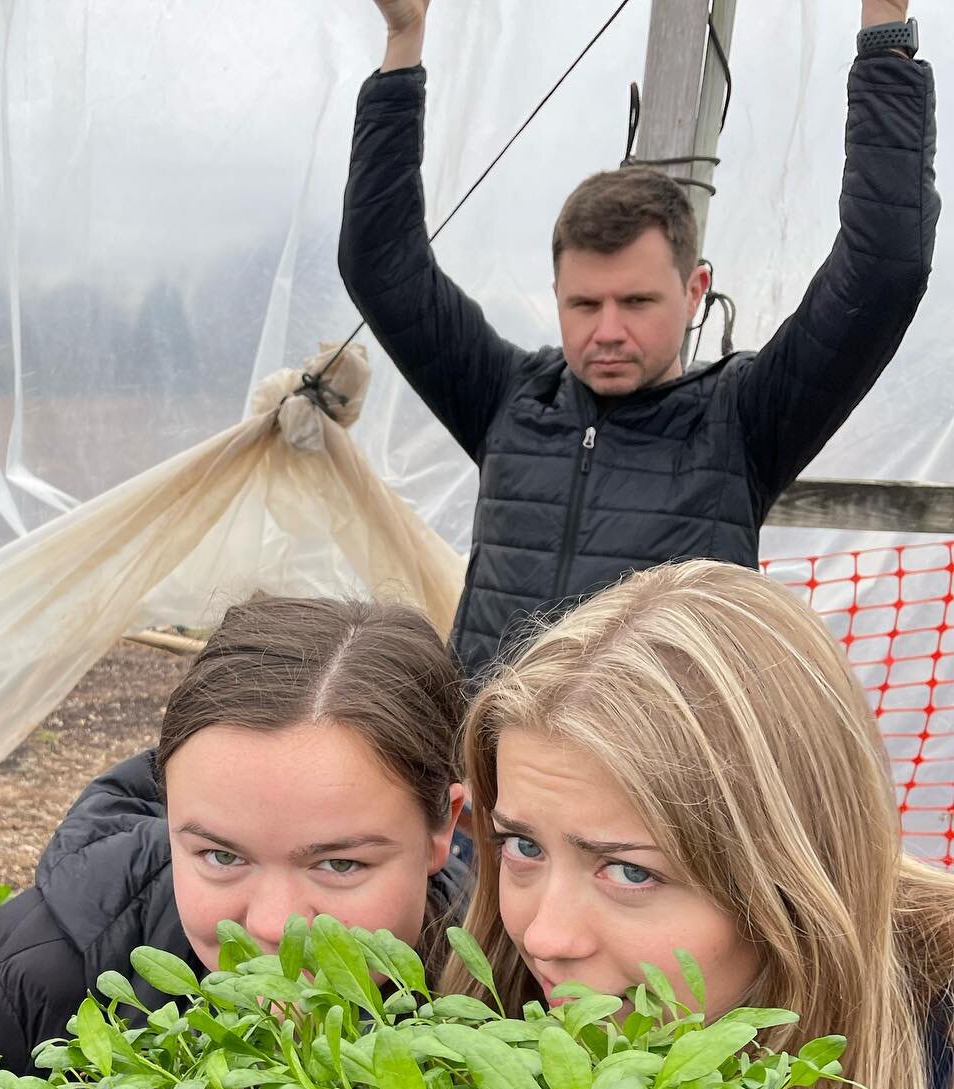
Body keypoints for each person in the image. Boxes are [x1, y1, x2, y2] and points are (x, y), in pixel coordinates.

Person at [447, 558, 954, 1089]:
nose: (545, 933)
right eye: (522, 844)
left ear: (787, 880)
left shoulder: (936, 1069)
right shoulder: (493, 1010)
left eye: (630, 869)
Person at [341, 0, 938, 682]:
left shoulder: (743, 422)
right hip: (490, 780)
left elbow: (884, 270)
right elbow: (381, 263)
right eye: (584, 304)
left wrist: (885, 29)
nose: (608, 331)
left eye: (638, 301)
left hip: (653, 786)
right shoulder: (508, 399)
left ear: (694, 290)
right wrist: (403, 37)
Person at [0, 595, 469, 1083]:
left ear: (442, 827)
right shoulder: (42, 965)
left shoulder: (505, 977)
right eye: (220, 856)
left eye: (340, 864)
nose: (270, 925)